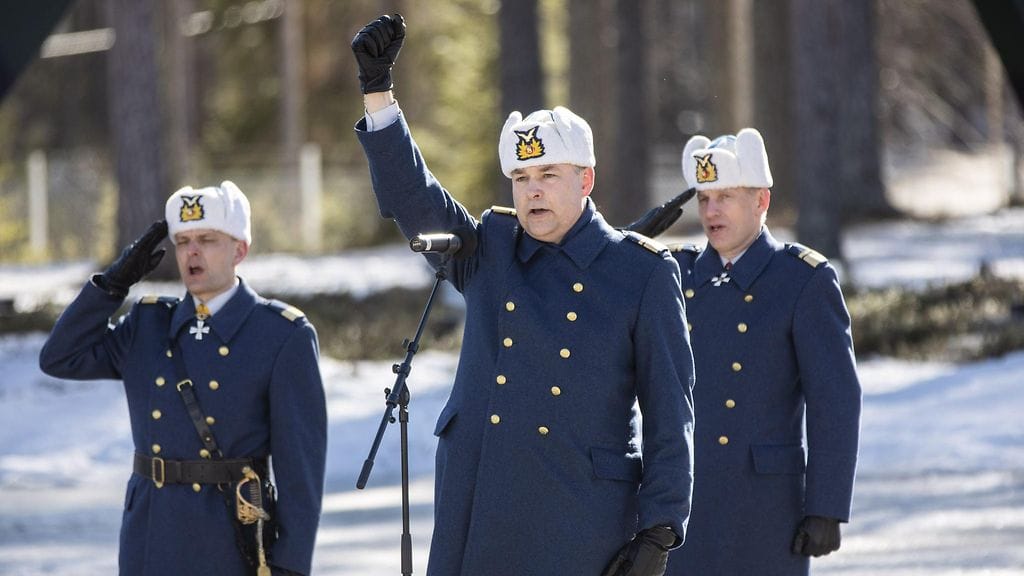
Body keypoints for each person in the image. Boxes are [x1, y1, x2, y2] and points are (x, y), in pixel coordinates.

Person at [350, 14, 695, 576]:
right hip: (479, 507)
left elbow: (670, 416)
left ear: (585, 180)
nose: (533, 192)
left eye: (548, 175)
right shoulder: (491, 248)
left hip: (580, 521)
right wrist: (378, 93)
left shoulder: (642, 274)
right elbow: (414, 200)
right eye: (521, 178)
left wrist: (660, 529)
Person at [38, 182, 327, 576]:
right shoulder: (147, 324)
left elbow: (300, 471)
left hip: (229, 541)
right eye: (183, 241)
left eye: (207, 240)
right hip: (149, 535)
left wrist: (289, 566)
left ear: (239, 250)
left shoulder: (280, 334)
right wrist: (112, 285)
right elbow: (59, 357)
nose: (192, 252)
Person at [659, 129, 862, 575]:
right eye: (704, 199)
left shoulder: (802, 280)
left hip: (765, 506)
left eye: (725, 197)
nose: (711, 211)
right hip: (683, 503)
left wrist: (826, 506)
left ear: (761, 201)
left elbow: (835, 400)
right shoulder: (674, 275)